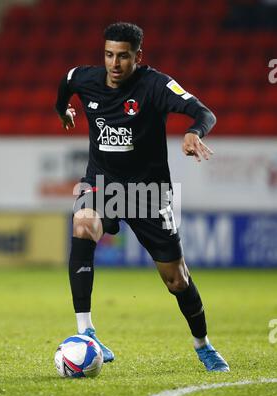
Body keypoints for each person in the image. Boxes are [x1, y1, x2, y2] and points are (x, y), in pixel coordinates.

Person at [55, 22, 229, 372]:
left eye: (123, 56)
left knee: (176, 279)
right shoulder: (85, 79)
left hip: (148, 193)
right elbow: (67, 83)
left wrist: (194, 132)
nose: (114, 64)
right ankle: (87, 333)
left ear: (138, 56)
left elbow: (204, 112)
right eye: (108, 55)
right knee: (82, 220)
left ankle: (203, 345)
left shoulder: (156, 85)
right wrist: (63, 110)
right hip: (102, 184)